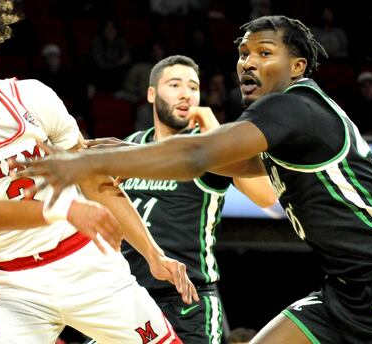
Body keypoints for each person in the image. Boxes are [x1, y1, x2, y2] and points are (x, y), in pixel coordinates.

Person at [18, 15, 372, 343]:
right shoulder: (281, 122)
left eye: (265, 53)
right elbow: (228, 165)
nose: (248, 63)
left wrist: (87, 164)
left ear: (298, 66)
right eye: (244, 54)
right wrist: (128, 150)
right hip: (344, 291)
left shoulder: (293, 104)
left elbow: (198, 155)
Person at [0, 0, 196, 344]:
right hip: (17, 285)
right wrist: (65, 209)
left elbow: (93, 178)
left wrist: (153, 255)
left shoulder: (33, 97)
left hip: (89, 265)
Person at [117, 55, 276, 343]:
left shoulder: (208, 149)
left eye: (193, 87)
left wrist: (216, 133)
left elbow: (267, 197)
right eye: (174, 84)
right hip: (124, 296)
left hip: (187, 301)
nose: (185, 94)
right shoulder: (130, 147)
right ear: (151, 94)